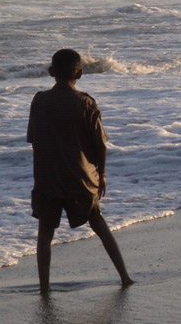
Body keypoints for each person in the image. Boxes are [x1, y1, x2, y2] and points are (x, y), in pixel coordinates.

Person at [27, 48, 133, 293]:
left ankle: (44, 287)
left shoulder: (39, 101)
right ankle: (124, 277)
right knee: (98, 223)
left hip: (47, 178)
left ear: (51, 71)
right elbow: (100, 145)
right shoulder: (85, 102)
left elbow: (34, 139)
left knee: (45, 232)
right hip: (80, 177)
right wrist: (101, 175)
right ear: (80, 74)